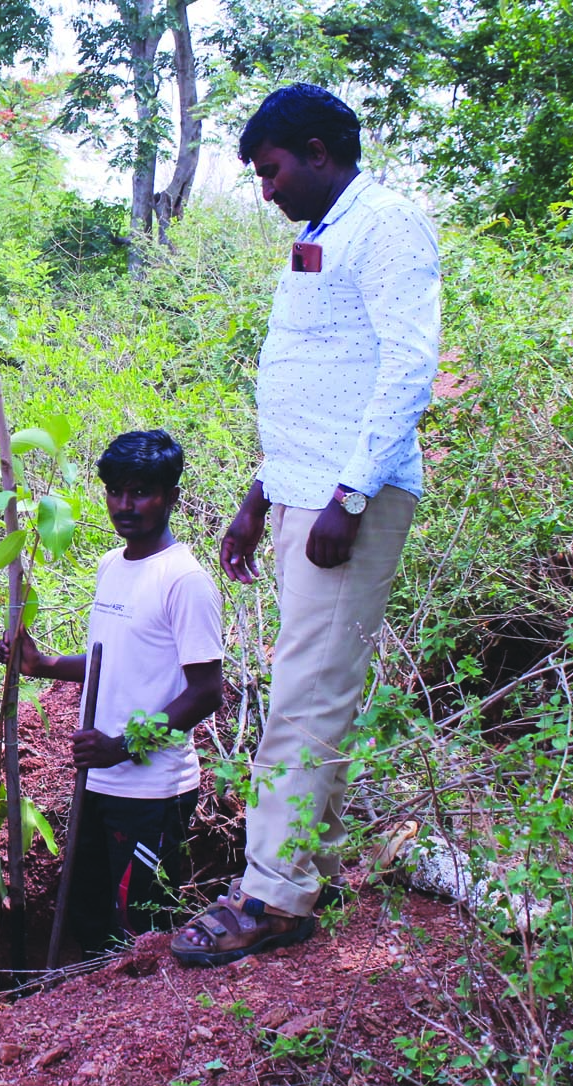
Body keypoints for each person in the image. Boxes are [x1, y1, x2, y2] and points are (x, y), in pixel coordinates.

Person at [170, 83, 439, 966]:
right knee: (312, 686)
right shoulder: (319, 238)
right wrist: (258, 497)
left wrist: (350, 496)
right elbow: (320, 380)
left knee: (305, 694)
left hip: (344, 503)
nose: (266, 190)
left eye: (272, 170)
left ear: (320, 153)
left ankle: (272, 900)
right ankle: (301, 873)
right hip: (304, 495)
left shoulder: (388, 224)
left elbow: (409, 367)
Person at [1, 430, 224, 954]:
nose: (126, 505)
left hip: (153, 792)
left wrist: (121, 747)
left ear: (170, 496)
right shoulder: (110, 566)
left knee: (138, 929)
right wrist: (43, 664)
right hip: (98, 783)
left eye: (141, 491)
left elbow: (205, 692)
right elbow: (114, 664)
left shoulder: (185, 581)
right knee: (87, 914)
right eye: (116, 492)